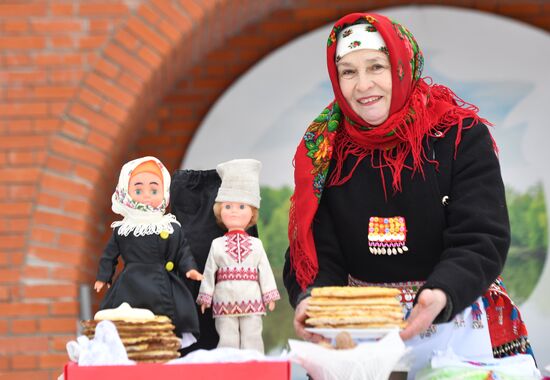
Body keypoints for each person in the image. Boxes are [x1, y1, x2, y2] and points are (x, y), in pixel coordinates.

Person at [283, 12, 533, 377]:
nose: (363, 85)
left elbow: (481, 236)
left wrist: (441, 293)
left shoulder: (460, 135)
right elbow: (319, 250)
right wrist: (315, 302)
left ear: (402, 66)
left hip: (456, 317)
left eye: (376, 67)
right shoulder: (324, 149)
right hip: (363, 334)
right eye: (348, 72)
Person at [94, 156, 203, 345]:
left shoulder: (170, 227)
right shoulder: (123, 228)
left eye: (154, 190)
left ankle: (162, 347)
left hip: (161, 281)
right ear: (125, 192)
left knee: (166, 321)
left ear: (164, 193)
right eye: (138, 190)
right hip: (130, 283)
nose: (146, 195)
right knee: (127, 321)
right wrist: (103, 277)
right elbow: (109, 255)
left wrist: (189, 268)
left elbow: (182, 251)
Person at [197, 159, 280, 353]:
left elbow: (265, 270)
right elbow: (209, 271)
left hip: (251, 295)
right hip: (224, 298)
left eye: (241, 207)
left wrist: (269, 294)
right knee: (227, 338)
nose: (234, 211)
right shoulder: (217, 244)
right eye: (228, 206)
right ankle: (229, 367)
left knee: (252, 336)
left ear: (252, 213)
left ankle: (254, 366)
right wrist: (205, 296)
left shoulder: (256, 244)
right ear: (220, 210)